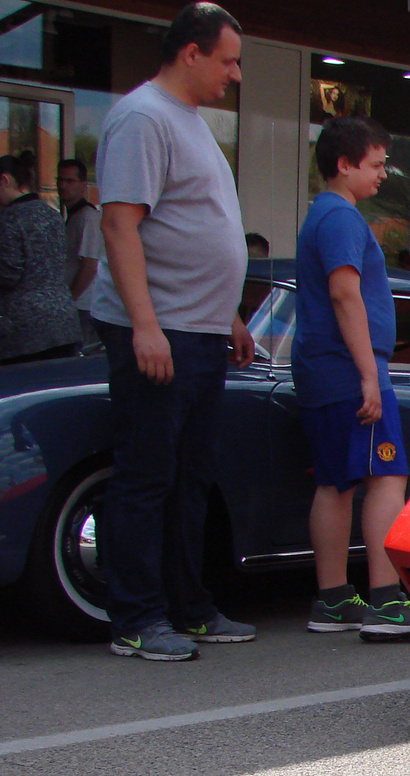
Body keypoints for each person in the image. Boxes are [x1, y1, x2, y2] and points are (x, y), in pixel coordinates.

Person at [91, 3, 257, 661]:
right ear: (190, 52)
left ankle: (189, 609)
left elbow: (198, 225)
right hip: (161, 333)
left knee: (191, 477)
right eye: (227, 59)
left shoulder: (187, 121)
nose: (235, 74)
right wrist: (145, 326)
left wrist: (230, 315)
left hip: (200, 330)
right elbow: (119, 225)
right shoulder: (141, 117)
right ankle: (136, 618)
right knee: (146, 473)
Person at [294, 116, 410, 642]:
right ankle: (386, 599)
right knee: (387, 477)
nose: (383, 174)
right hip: (348, 369)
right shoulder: (341, 219)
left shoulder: (323, 214)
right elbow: (345, 294)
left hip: (324, 368)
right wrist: (367, 375)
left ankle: (334, 599)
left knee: (335, 483)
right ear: (344, 164)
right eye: (376, 164)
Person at [0, 152, 82, 365]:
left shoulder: (9, 219)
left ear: (4, 180)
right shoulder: (51, 214)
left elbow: (8, 274)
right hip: (64, 322)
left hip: (25, 330)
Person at [57, 158, 103, 347]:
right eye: (60, 180)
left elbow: (90, 265)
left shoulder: (88, 218)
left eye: (70, 181)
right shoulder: (73, 217)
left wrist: (69, 300)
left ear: (83, 185)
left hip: (83, 306)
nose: (63, 186)